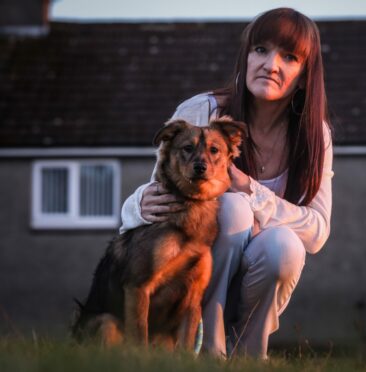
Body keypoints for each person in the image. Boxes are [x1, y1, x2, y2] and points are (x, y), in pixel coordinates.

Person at [119, 7, 333, 359]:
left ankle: (251, 355)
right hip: (195, 282)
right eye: (260, 50)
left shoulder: (315, 137)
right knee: (230, 208)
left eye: (289, 57)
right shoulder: (201, 111)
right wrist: (136, 204)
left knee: (285, 245)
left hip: (257, 280)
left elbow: (317, 232)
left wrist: (251, 189)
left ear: (304, 75)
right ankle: (207, 349)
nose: (271, 65)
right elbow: (160, 192)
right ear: (245, 55)